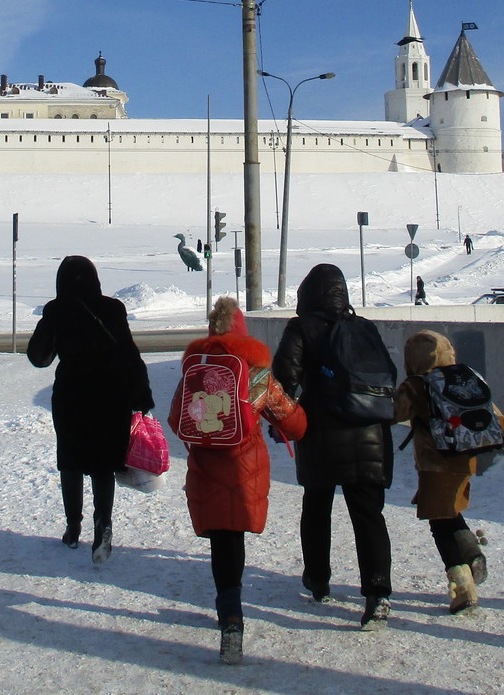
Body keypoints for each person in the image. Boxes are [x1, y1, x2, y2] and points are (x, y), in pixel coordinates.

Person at [170, 297, 305, 665]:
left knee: (220, 541)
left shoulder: (194, 369)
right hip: (243, 468)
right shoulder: (255, 373)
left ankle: (228, 612)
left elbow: (174, 418)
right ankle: (233, 615)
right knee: (234, 537)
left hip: (205, 467)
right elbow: (292, 422)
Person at [392, 329, 504, 613]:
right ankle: (470, 553)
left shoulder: (417, 385)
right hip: (466, 461)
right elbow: (494, 418)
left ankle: (464, 584)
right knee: (449, 512)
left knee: (439, 522)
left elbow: (393, 413)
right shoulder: (466, 380)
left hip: (435, 463)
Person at [272, 262, 394, 629]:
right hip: (371, 432)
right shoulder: (365, 327)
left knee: (317, 506)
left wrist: (282, 423)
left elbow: (284, 380)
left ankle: (318, 578)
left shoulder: (301, 327)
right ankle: (377, 593)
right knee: (369, 514)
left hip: (322, 432)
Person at [27, 255, 153, 564]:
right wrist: (142, 397)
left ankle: (73, 527)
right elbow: (130, 356)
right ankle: (104, 524)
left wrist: (51, 323)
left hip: (72, 398)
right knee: (103, 465)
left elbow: (39, 357)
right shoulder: (113, 310)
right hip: (112, 398)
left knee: (70, 461)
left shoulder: (57, 311)